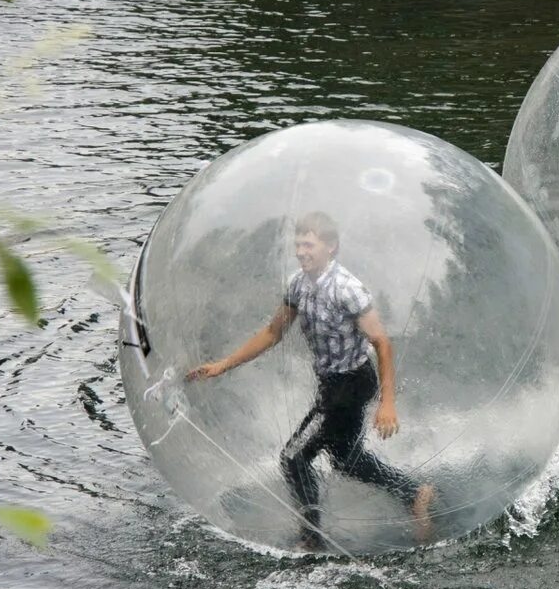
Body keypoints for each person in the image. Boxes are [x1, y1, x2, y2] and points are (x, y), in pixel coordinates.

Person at [186, 211, 434, 550]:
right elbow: (273, 332)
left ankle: (311, 537)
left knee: (294, 457)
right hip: (331, 385)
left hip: (352, 383)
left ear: (330, 247)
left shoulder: (347, 289)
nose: (302, 251)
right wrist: (223, 365)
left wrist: (388, 403)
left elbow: (382, 343)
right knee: (346, 460)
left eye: (309, 244)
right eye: (298, 244)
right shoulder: (297, 285)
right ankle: (414, 493)